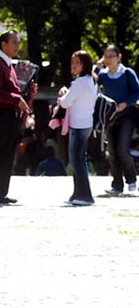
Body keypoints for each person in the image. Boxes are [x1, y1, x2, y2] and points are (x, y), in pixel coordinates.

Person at [0, 30, 35, 204]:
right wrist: (16, 99)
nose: (17, 47)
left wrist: (28, 94)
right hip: (1, 114)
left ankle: (1, 192)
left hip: (10, 114)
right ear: (3, 44)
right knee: (2, 154)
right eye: (14, 43)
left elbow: (13, 90)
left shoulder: (7, 63)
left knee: (8, 154)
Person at [96, 45, 139, 195]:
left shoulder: (127, 73)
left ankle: (132, 181)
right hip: (109, 117)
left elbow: (137, 91)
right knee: (112, 151)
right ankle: (117, 184)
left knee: (123, 149)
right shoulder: (103, 74)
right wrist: (97, 67)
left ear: (118, 57)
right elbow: (92, 82)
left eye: (111, 56)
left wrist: (125, 103)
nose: (108, 59)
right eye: (105, 56)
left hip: (127, 115)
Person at [57, 51, 98, 204]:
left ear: (85, 65)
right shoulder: (91, 80)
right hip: (86, 124)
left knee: (76, 161)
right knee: (79, 159)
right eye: (72, 63)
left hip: (78, 125)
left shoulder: (80, 82)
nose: (73, 66)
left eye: (77, 63)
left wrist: (62, 94)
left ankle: (85, 196)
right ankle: (77, 194)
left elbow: (66, 102)